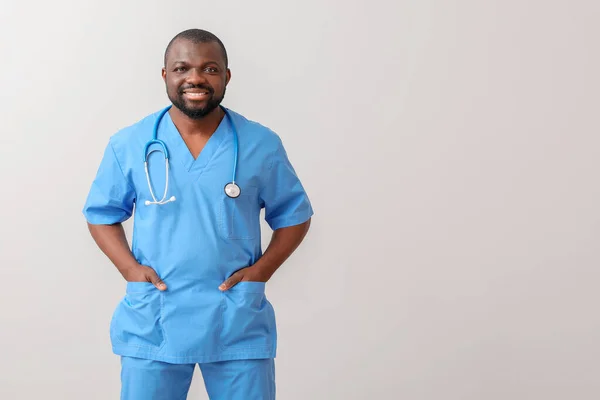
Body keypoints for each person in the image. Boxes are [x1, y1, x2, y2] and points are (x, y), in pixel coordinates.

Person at [82, 28, 313, 400]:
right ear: (165, 76)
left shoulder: (260, 143)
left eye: (209, 69)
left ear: (226, 76)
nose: (195, 78)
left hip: (235, 316)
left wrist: (262, 271)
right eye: (182, 68)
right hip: (156, 315)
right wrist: (129, 269)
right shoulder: (130, 143)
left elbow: (294, 215)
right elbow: (101, 213)